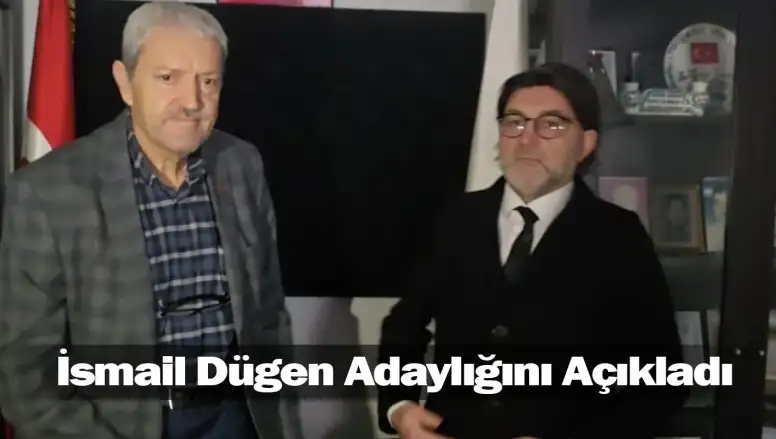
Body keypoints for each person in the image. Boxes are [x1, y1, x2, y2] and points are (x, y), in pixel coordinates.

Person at [0, 3, 302, 439]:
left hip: (236, 417)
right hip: (115, 426)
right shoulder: (47, 191)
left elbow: (269, 316)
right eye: (168, 78)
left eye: (208, 81)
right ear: (125, 82)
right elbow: (24, 374)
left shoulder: (242, 165)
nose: (192, 102)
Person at [377, 62, 686, 439]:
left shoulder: (620, 235)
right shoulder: (456, 218)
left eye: (551, 124)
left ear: (586, 143)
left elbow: (663, 381)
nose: (526, 139)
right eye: (515, 122)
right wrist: (399, 407)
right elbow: (404, 325)